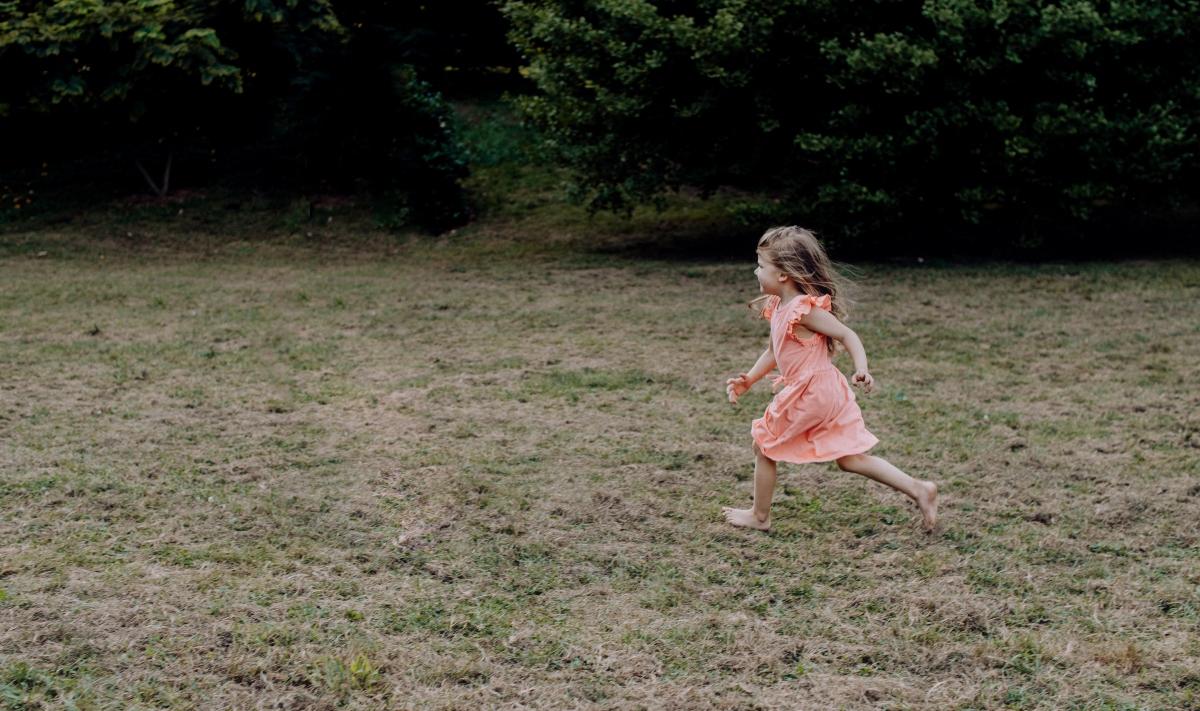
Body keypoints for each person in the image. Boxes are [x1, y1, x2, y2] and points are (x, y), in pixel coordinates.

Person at [723, 226, 938, 532]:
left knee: (764, 444)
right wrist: (750, 379)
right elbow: (774, 350)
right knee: (849, 459)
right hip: (824, 392)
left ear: (783, 274)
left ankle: (759, 516)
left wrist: (861, 367)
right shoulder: (780, 307)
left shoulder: (802, 309)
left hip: (813, 393)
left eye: (761, 265)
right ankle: (920, 489)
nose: (756, 271)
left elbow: (847, 334)